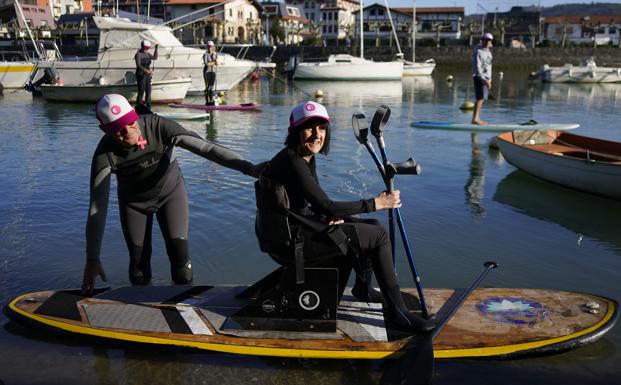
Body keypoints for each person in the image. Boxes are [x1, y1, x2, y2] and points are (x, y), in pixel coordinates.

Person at [258, 101, 435, 332]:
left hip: (292, 229)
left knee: (369, 225)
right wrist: (376, 203)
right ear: (294, 132)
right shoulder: (294, 162)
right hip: (290, 242)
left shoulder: (302, 157)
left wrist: (326, 216)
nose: (316, 135)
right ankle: (398, 315)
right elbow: (327, 206)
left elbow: (316, 205)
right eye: (309, 128)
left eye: (321, 128)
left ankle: (363, 288)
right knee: (378, 235)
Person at [82, 94, 265, 295]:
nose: (128, 132)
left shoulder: (158, 127)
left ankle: (186, 301)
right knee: (138, 262)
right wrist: (92, 259)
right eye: (118, 129)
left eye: (130, 123)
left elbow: (207, 148)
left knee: (179, 255)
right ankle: (140, 306)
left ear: (134, 113)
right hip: (134, 205)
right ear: (105, 131)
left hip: (170, 194)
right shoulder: (104, 154)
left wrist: (249, 168)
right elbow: (97, 209)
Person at [471, 32, 493, 125]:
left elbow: (489, 67)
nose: (487, 41)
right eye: (485, 40)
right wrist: (484, 80)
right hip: (479, 78)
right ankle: (475, 119)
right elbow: (477, 68)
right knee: (480, 98)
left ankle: (476, 118)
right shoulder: (478, 52)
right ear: (482, 40)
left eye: (489, 40)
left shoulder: (489, 53)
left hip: (487, 79)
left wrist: (490, 79)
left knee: (482, 98)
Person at [135, 40, 158, 109]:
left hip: (147, 75)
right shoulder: (138, 54)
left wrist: (156, 48)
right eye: (145, 48)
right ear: (142, 47)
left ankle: (148, 108)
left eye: (148, 48)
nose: (147, 49)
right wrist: (147, 71)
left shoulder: (147, 54)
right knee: (141, 91)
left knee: (148, 91)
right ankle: (139, 107)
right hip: (140, 75)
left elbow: (155, 57)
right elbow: (138, 65)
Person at [203, 41, 218, 105]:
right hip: (207, 72)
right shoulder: (205, 54)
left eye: (211, 47)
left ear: (213, 47)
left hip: (213, 72)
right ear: (207, 47)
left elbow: (217, 63)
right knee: (207, 88)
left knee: (212, 87)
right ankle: (207, 102)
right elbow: (206, 64)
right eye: (208, 47)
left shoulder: (215, 54)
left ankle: (211, 101)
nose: (209, 48)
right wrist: (214, 62)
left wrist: (215, 62)